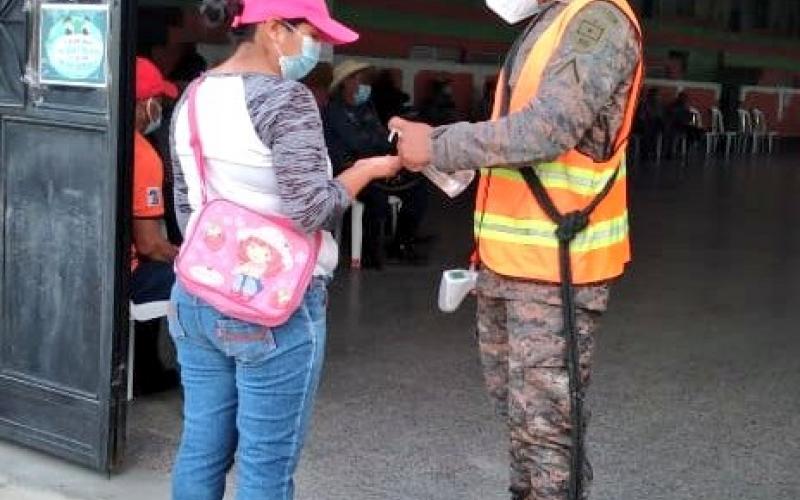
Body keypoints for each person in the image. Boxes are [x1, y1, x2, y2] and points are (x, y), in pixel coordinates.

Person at [390, 0, 643, 499]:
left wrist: (437, 144)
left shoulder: (598, 20)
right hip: (510, 263)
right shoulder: (548, 22)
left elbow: (548, 128)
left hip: (557, 266)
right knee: (522, 419)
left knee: (547, 429)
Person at [168, 0, 401, 498]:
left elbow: (188, 204)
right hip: (271, 308)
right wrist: (364, 172)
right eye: (310, 33)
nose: (316, 48)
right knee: (264, 471)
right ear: (274, 29)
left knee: (200, 450)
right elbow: (312, 210)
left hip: (196, 296)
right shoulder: (286, 99)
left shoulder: (192, 95)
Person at [324, 60, 427, 267]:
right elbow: (358, 142)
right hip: (347, 171)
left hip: (375, 166)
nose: (362, 84)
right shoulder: (333, 112)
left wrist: (389, 145)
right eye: (356, 79)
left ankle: (401, 244)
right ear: (344, 83)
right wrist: (379, 143)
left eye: (362, 78)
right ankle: (369, 253)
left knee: (419, 189)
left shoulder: (366, 108)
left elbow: (381, 137)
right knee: (376, 198)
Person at [131, 56, 181, 394]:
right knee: (192, 278)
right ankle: (152, 373)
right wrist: (186, 256)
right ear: (145, 104)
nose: (159, 109)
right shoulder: (143, 154)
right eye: (158, 101)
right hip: (124, 278)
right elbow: (149, 244)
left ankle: (144, 365)